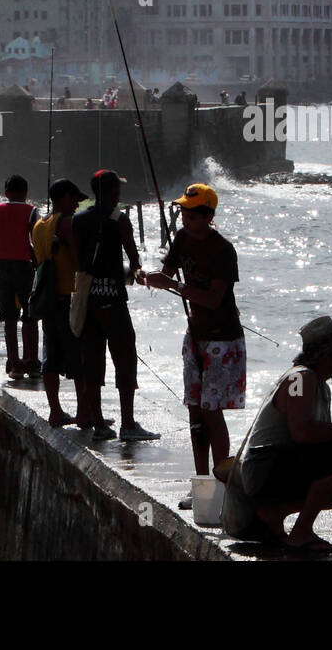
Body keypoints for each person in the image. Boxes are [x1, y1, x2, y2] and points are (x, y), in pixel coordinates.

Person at [232, 316, 332, 552]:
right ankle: (300, 533)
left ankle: (274, 515)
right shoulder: (300, 379)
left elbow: (316, 438)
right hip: (263, 469)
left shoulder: (318, 384)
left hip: (276, 465)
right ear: (325, 354)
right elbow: (302, 433)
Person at [137, 184, 244, 493]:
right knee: (195, 409)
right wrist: (149, 277)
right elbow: (167, 271)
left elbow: (212, 299)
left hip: (223, 338)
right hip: (195, 334)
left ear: (208, 216)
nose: (184, 217)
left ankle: (221, 482)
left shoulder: (224, 250)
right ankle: (201, 484)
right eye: (182, 210)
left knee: (213, 410)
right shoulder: (182, 238)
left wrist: (174, 286)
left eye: (191, 213)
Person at [69, 170, 158, 441]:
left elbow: (77, 258)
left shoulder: (78, 218)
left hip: (87, 297)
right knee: (124, 357)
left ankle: (99, 425)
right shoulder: (119, 219)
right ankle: (128, 424)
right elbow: (133, 258)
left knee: (92, 359)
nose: (119, 193)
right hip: (112, 297)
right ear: (111, 192)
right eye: (117, 189)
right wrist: (139, 272)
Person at [32, 179, 88, 427]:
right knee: (78, 356)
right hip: (67, 296)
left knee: (51, 356)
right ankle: (83, 413)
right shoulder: (66, 224)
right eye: (74, 198)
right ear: (63, 197)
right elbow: (79, 260)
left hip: (47, 299)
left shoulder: (38, 226)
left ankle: (55, 411)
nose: (77, 204)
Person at [0, 175, 41, 380]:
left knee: (9, 317)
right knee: (30, 314)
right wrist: (40, 265)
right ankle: (32, 362)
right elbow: (35, 241)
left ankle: (15, 364)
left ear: (6, 193)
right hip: (25, 266)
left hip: (2, 266)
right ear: (25, 193)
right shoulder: (31, 211)